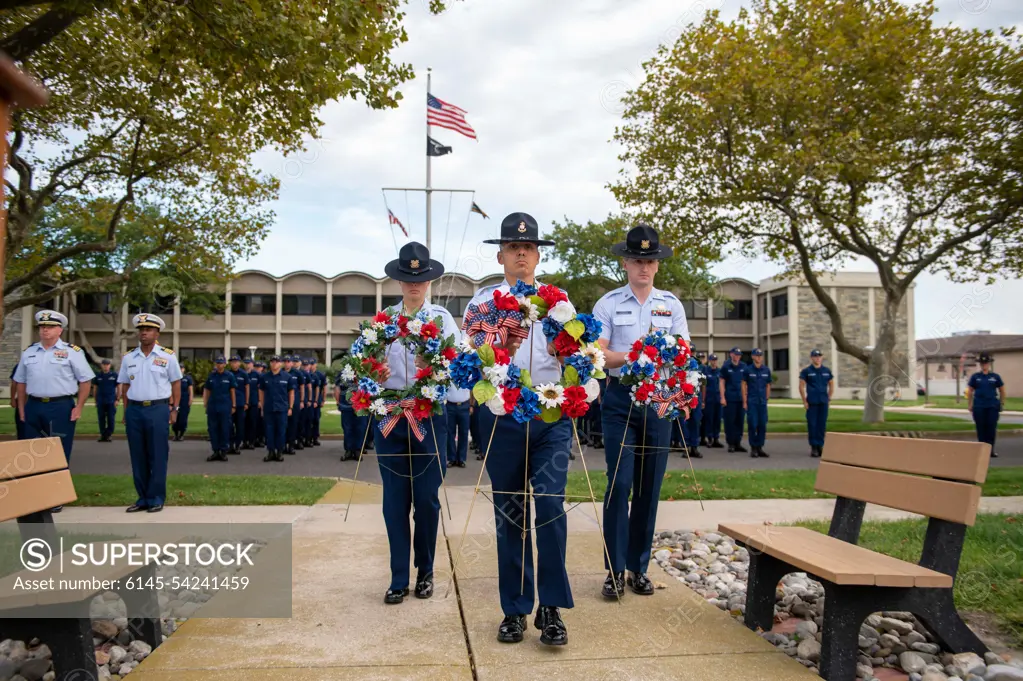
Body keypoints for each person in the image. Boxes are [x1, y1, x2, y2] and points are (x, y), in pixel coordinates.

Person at [471, 212, 573, 646]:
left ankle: (550, 608)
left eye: (527, 248)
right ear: (501, 254)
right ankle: (514, 609)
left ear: (537, 255)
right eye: (513, 247)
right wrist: (501, 345)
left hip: (550, 418)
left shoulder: (559, 300)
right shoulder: (482, 302)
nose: (520, 254)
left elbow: (578, 352)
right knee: (509, 514)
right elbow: (473, 359)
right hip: (503, 417)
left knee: (550, 508)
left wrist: (569, 353)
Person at [593, 224, 691, 601]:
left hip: (659, 401)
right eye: (637, 260)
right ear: (625, 262)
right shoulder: (609, 303)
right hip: (620, 400)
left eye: (650, 260)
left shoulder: (671, 304)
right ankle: (615, 570)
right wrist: (640, 354)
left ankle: (639, 568)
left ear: (657, 265)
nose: (644, 267)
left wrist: (661, 360)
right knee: (619, 484)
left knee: (650, 487)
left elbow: (682, 353)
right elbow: (599, 355)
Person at [376, 241, 457, 606]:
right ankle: (398, 577)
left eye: (421, 279)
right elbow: (367, 367)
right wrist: (375, 375)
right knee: (394, 501)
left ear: (429, 281)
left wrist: (434, 365)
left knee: (425, 499)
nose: (414, 285)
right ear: (398, 281)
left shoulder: (442, 319)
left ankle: (425, 570)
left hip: (428, 414)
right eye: (408, 279)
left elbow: (456, 370)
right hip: (391, 415)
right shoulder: (383, 322)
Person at [13, 310, 94, 494]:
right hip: (34, 405)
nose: (45, 330)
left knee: (58, 452)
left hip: (60, 406)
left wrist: (79, 407)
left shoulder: (72, 352)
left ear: (60, 330)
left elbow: (85, 381)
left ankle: (56, 494)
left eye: (49, 327)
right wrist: (22, 408)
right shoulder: (29, 352)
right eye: (42, 327)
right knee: (31, 452)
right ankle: (36, 493)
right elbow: (21, 382)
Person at [117, 313, 182, 513]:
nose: (144, 333)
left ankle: (156, 497)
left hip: (158, 409)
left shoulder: (167, 356)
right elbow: (125, 386)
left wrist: (175, 409)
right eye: (141, 329)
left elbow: (176, 384)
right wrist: (126, 411)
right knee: (138, 455)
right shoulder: (129, 358)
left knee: (157, 454)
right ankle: (143, 497)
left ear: (157, 333)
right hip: (135, 410)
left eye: (149, 330)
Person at [967, 352, 1005, 458]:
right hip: (979, 406)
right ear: (980, 364)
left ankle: (990, 450)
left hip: (992, 406)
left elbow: (1002, 390)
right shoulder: (975, 377)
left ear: (989, 364)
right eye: (983, 363)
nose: (984, 365)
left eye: (986, 363)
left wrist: (1001, 403)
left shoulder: (995, 377)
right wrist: (970, 404)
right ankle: (981, 451)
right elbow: (970, 391)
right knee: (981, 429)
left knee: (991, 429)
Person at [259, 355, 295, 462]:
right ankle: (270, 452)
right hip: (269, 409)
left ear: (281, 363)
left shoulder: (287, 377)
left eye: (276, 361)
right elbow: (261, 392)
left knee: (281, 431)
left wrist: (291, 407)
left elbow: (291, 393)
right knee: (269, 432)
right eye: (272, 361)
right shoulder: (264, 377)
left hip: (282, 408)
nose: (274, 363)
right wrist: (262, 406)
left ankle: (279, 452)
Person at [799, 349, 833, 457]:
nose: (817, 358)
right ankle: (813, 446)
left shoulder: (826, 370)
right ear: (812, 358)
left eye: (819, 356)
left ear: (821, 357)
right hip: (812, 402)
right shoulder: (807, 371)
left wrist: (829, 397)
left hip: (823, 401)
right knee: (812, 424)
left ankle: (820, 445)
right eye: (815, 356)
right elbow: (801, 386)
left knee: (821, 424)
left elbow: (831, 384)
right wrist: (804, 401)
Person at [203, 356, 237, 462]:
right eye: (217, 363)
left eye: (221, 363)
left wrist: (234, 405)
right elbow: (207, 390)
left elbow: (232, 391)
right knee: (213, 429)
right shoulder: (212, 376)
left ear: (225, 364)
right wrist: (206, 404)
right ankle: (215, 451)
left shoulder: (229, 376)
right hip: (213, 406)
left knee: (224, 428)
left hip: (225, 406)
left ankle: (223, 451)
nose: (219, 365)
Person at [742, 348, 772, 458]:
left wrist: (767, 397)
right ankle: (753, 448)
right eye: (757, 355)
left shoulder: (766, 370)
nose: (759, 357)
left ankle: (760, 447)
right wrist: (745, 400)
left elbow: (768, 384)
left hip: (762, 402)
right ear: (753, 357)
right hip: (752, 401)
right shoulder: (748, 370)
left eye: (760, 355)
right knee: (752, 424)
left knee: (762, 424)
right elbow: (744, 384)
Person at [335, 364, 367, 461]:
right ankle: (348, 450)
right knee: (347, 429)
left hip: (361, 406)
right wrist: (338, 402)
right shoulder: (342, 373)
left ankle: (358, 451)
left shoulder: (365, 372)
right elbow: (337, 388)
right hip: (346, 406)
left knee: (360, 428)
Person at [719, 347, 748, 453]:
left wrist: (746, 398)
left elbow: (746, 383)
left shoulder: (744, 367)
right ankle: (731, 443)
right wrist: (722, 397)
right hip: (730, 398)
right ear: (731, 354)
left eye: (739, 355)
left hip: (741, 398)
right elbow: (722, 382)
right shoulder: (726, 366)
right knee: (730, 421)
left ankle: (738, 443)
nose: (737, 356)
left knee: (739, 421)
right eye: (735, 354)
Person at [682, 350, 705, 458]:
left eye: (693, 352)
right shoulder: (681, 366)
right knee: (685, 422)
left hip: (696, 398)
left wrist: (703, 400)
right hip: (685, 398)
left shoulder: (699, 368)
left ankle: (694, 447)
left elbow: (703, 385)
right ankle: (686, 447)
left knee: (696, 422)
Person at [92, 358, 119, 442]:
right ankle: (103, 435)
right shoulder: (98, 375)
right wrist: (95, 400)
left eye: (107, 364)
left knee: (111, 418)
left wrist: (117, 399)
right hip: (100, 400)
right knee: (101, 418)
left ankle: (108, 434)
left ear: (110, 365)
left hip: (111, 400)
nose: (105, 366)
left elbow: (118, 387)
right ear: (101, 365)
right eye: (104, 364)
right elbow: (95, 388)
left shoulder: (114, 375)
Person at [227, 355, 248, 454]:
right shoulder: (227, 374)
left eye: (236, 362)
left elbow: (247, 388)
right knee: (229, 426)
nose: (234, 364)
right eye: (232, 362)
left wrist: (246, 402)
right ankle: (230, 445)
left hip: (240, 403)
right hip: (229, 404)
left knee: (240, 426)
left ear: (239, 363)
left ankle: (237, 445)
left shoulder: (244, 374)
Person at [446, 380, 470, 468]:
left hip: (464, 405)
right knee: (450, 433)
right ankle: (451, 458)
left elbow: (472, 388)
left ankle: (461, 458)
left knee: (463, 432)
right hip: (450, 406)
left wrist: (471, 405)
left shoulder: (468, 370)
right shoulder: (447, 371)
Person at [701, 354, 723, 448]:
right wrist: (703, 400)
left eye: (715, 360)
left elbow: (722, 385)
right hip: (709, 398)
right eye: (712, 360)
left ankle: (716, 438)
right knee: (709, 419)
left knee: (717, 419)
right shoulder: (706, 371)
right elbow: (704, 386)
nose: (714, 361)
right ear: (709, 361)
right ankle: (709, 438)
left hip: (718, 398)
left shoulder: (719, 371)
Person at [286, 355, 306, 453]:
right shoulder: (280, 373)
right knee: (284, 425)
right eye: (285, 361)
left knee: (293, 424)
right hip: (283, 402)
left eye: (289, 361)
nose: (287, 363)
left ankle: (291, 445)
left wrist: (302, 401)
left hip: (295, 402)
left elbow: (302, 388)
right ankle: (283, 444)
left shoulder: (297, 373)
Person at [172, 369, 195, 441]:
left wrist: (190, 399)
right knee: (175, 417)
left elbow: (190, 390)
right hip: (176, 401)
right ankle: (175, 434)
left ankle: (181, 434)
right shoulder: (174, 377)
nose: (180, 370)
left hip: (184, 401)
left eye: (181, 368)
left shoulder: (187, 378)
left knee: (183, 418)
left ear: (184, 369)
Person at [243, 358, 260, 449]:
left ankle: (251, 442)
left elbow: (260, 389)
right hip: (243, 402)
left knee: (253, 422)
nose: (247, 365)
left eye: (249, 363)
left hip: (254, 402)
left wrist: (260, 401)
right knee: (244, 423)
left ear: (252, 364)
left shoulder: (256, 375)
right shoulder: (241, 374)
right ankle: (244, 441)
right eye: (245, 363)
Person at [310, 358, 325, 447]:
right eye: (310, 364)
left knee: (316, 420)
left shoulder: (320, 375)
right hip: (309, 401)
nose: (311, 366)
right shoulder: (307, 374)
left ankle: (315, 438)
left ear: (316, 365)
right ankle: (307, 437)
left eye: (313, 364)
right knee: (308, 420)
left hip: (317, 401)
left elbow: (323, 388)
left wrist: (323, 400)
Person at [253, 361, 267, 447]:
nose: (257, 368)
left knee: (262, 422)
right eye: (256, 367)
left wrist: (260, 401)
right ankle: (255, 439)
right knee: (255, 422)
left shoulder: (264, 377)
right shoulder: (252, 375)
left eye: (259, 367)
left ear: (262, 368)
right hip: (254, 401)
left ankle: (262, 439)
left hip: (261, 402)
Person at [10, 364, 25, 440]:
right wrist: (12, 399)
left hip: (34, 400)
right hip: (23, 400)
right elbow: (14, 383)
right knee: (21, 425)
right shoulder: (19, 366)